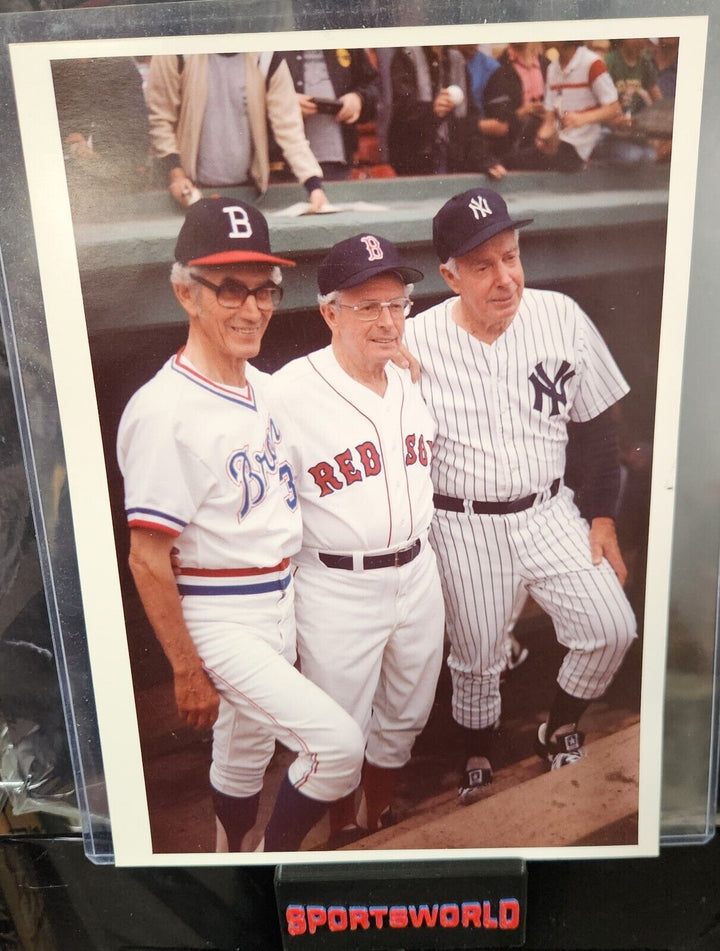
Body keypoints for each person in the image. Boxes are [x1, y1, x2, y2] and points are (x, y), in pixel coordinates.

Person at [116, 197, 363, 853]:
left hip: (277, 598)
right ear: (185, 292)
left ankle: (230, 851)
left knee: (246, 747)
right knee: (337, 747)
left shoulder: (263, 385)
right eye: (230, 290)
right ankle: (266, 859)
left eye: (265, 290)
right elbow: (146, 557)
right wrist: (186, 669)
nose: (253, 308)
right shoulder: (162, 411)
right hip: (221, 612)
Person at [403, 187, 637, 805]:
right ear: (450, 275)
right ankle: (476, 749)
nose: (505, 278)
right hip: (462, 523)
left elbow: (597, 428)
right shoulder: (414, 343)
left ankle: (557, 725)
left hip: (550, 509)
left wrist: (605, 515)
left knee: (611, 626)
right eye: (483, 266)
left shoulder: (561, 315)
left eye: (511, 255)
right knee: (477, 655)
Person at [268, 234, 445, 841]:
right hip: (336, 584)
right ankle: (344, 827)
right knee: (336, 728)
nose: (387, 319)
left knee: (406, 714)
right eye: (367, 306)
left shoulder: (408, 379)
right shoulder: (284, 393)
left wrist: (400, 359)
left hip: (419, 575)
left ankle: (380, 817)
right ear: (328, 313)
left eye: (397, 305)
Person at [145, 53, 329, 210]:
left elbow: (289, 127)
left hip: (247, 190)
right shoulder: (175, 51)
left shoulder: (266, 55)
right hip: (188, 193)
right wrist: (177, 176)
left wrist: (314, 186)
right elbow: (159, 120)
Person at [279, 49, 380, 180]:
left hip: (338, 165)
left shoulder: (345, 38)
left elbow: (374, 85)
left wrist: (358, 98)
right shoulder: (273, 38)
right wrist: (282, 102)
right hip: (284, 166)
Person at [533, 41, 621, 170]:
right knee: (514, 160)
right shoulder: (552, 68)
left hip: (586, 143)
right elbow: (549, 120)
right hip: (562, 142)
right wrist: (542, 138)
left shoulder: (592, 63)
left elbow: (614, 109)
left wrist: (582, 118)